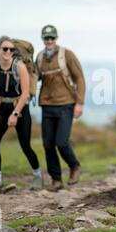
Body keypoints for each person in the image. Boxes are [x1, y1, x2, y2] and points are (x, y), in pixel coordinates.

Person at [0, 36, 43, 194]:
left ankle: (38, 175)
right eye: (5, 49)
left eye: (11, 49)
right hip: (2, 108)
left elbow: (25, 94)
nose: (8, 51)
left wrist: (15, 114)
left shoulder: (20, 67)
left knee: (25, 146)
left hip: (20, 110)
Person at [36, 25, 86, 191]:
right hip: (46, 105)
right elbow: (34, 77)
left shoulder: (67, 55)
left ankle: (74, 166)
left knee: (62, 142)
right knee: (48, 145)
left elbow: (79, 78)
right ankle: (56, 180)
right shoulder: (40, 57)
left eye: (52, 38)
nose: (49, 41)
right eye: (46, 38)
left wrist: (79, 103)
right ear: (42, 39)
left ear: (56, 38)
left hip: (66, 104)